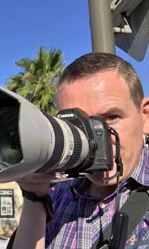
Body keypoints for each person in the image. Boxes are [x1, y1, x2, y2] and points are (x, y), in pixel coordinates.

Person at [9, 52, 149, 248]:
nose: (95, 139)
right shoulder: (58, 195)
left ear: (145, 116)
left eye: (111, 117)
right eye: (78, 125)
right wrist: (35, 195)